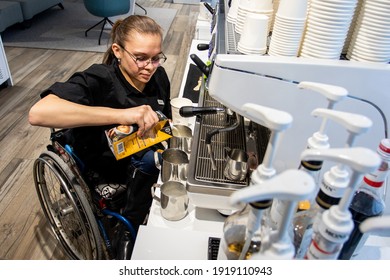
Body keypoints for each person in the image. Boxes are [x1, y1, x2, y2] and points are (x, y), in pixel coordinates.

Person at [29, 15, 172, 259]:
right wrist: (123, 115)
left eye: (156, 58)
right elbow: (38, 113)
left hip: (145, 154)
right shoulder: (99, 79)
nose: (149, 66)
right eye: (140, 58)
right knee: (148, 161)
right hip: (102, 163)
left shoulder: (158, 77)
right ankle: (128, 228)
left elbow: (165, 120)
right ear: (117, 50)